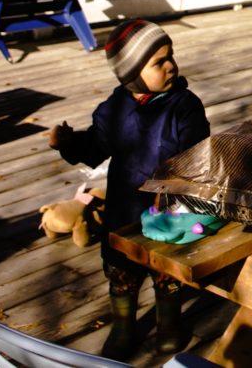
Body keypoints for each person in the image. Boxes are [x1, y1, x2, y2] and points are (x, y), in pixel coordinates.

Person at [47, 19, 210, 359]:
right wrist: (67, 144)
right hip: (124, 208)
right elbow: (95, 146)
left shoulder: (184, 106)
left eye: (171, 56)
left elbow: (197, 154)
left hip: (168, 209)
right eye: (158, 62)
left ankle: (168, 327)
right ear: (131, 73)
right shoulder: (115, 108)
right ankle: (123, 327)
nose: (171, 66)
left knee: (167, 271)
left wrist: (181, 186)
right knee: (121, 271)